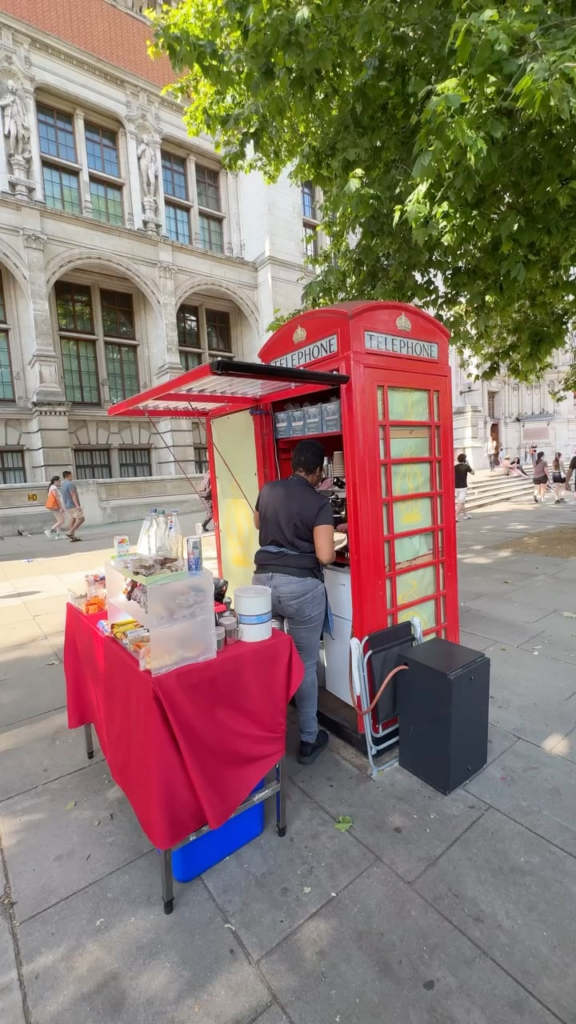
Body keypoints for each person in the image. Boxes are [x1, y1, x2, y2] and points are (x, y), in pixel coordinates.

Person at [253, 439, 335, 765]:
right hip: (301, 588)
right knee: (304, 662)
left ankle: (269, 734)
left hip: (262, 586)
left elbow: (259, 523)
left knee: (272, 659)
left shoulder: (268, 489)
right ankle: (308, 739)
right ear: (317, 472)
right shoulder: (319, 502)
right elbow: (325, 555)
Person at [61, 470, 85, 541]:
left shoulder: (63, 485)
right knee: (81, 519)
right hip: (72, 505)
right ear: (68, 475)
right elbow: (73, 495)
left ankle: (72, 536)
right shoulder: (70, 484)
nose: (72, 477)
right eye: (71, 475)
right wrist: (77, 506)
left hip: (67, 505)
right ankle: (70, 532)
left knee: (73, 518)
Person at [44, 475, 66, 539]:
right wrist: (61, 507)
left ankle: (58, 535)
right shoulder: (54, 488)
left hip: (55, 506)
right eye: (59, 481)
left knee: (59, 520)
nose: (60, 482)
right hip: (56, 506)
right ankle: (50, 530)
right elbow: (56, 498)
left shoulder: (52, 487)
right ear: (55, 481)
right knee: (61, 521)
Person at [454, 453, 474, 521]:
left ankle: (465, 515)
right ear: (465, 460)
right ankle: (455, 516)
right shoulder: (466, 466)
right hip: (463, 487)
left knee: (461, 502)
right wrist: (468, 464)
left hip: (456, 487)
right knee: (460, 502)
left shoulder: (455, 467)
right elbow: (473, 473)